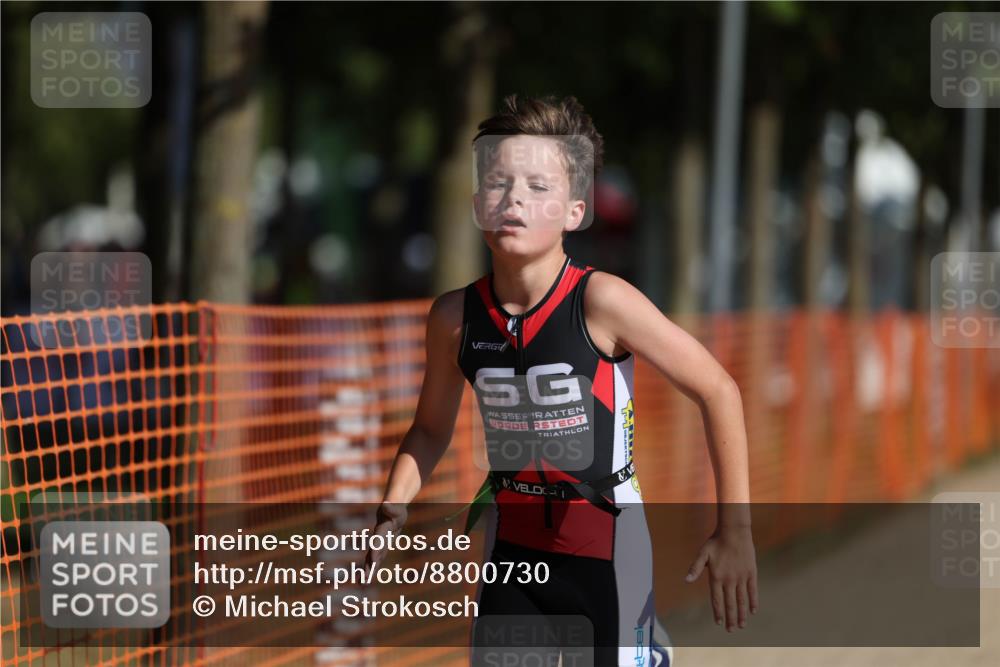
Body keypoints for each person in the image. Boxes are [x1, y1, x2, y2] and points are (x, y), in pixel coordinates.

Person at [366, 94, 758, 666]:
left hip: (607, 548)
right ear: (477, 204)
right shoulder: (454, 320)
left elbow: (717, 389)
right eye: (499, 183)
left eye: (538, 187)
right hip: (513, 554)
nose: (515, 198)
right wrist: (392, 506)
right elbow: (428, 429)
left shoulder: (602, 301)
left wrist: (735, 531)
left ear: (576, 211)